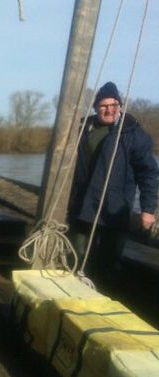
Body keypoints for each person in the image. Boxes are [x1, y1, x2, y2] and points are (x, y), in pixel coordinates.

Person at [67, 81, 158, 291]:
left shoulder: (133, 134)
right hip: (83, 208)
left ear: (120, 106)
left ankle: (103, 297)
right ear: (96, 108)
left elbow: (148, 174)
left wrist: (147, 210)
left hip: (114, 210)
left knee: (108, 262)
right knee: (77, 257)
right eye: (103, 106)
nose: (109, 109)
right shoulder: (82, 130)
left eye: (113, 105)